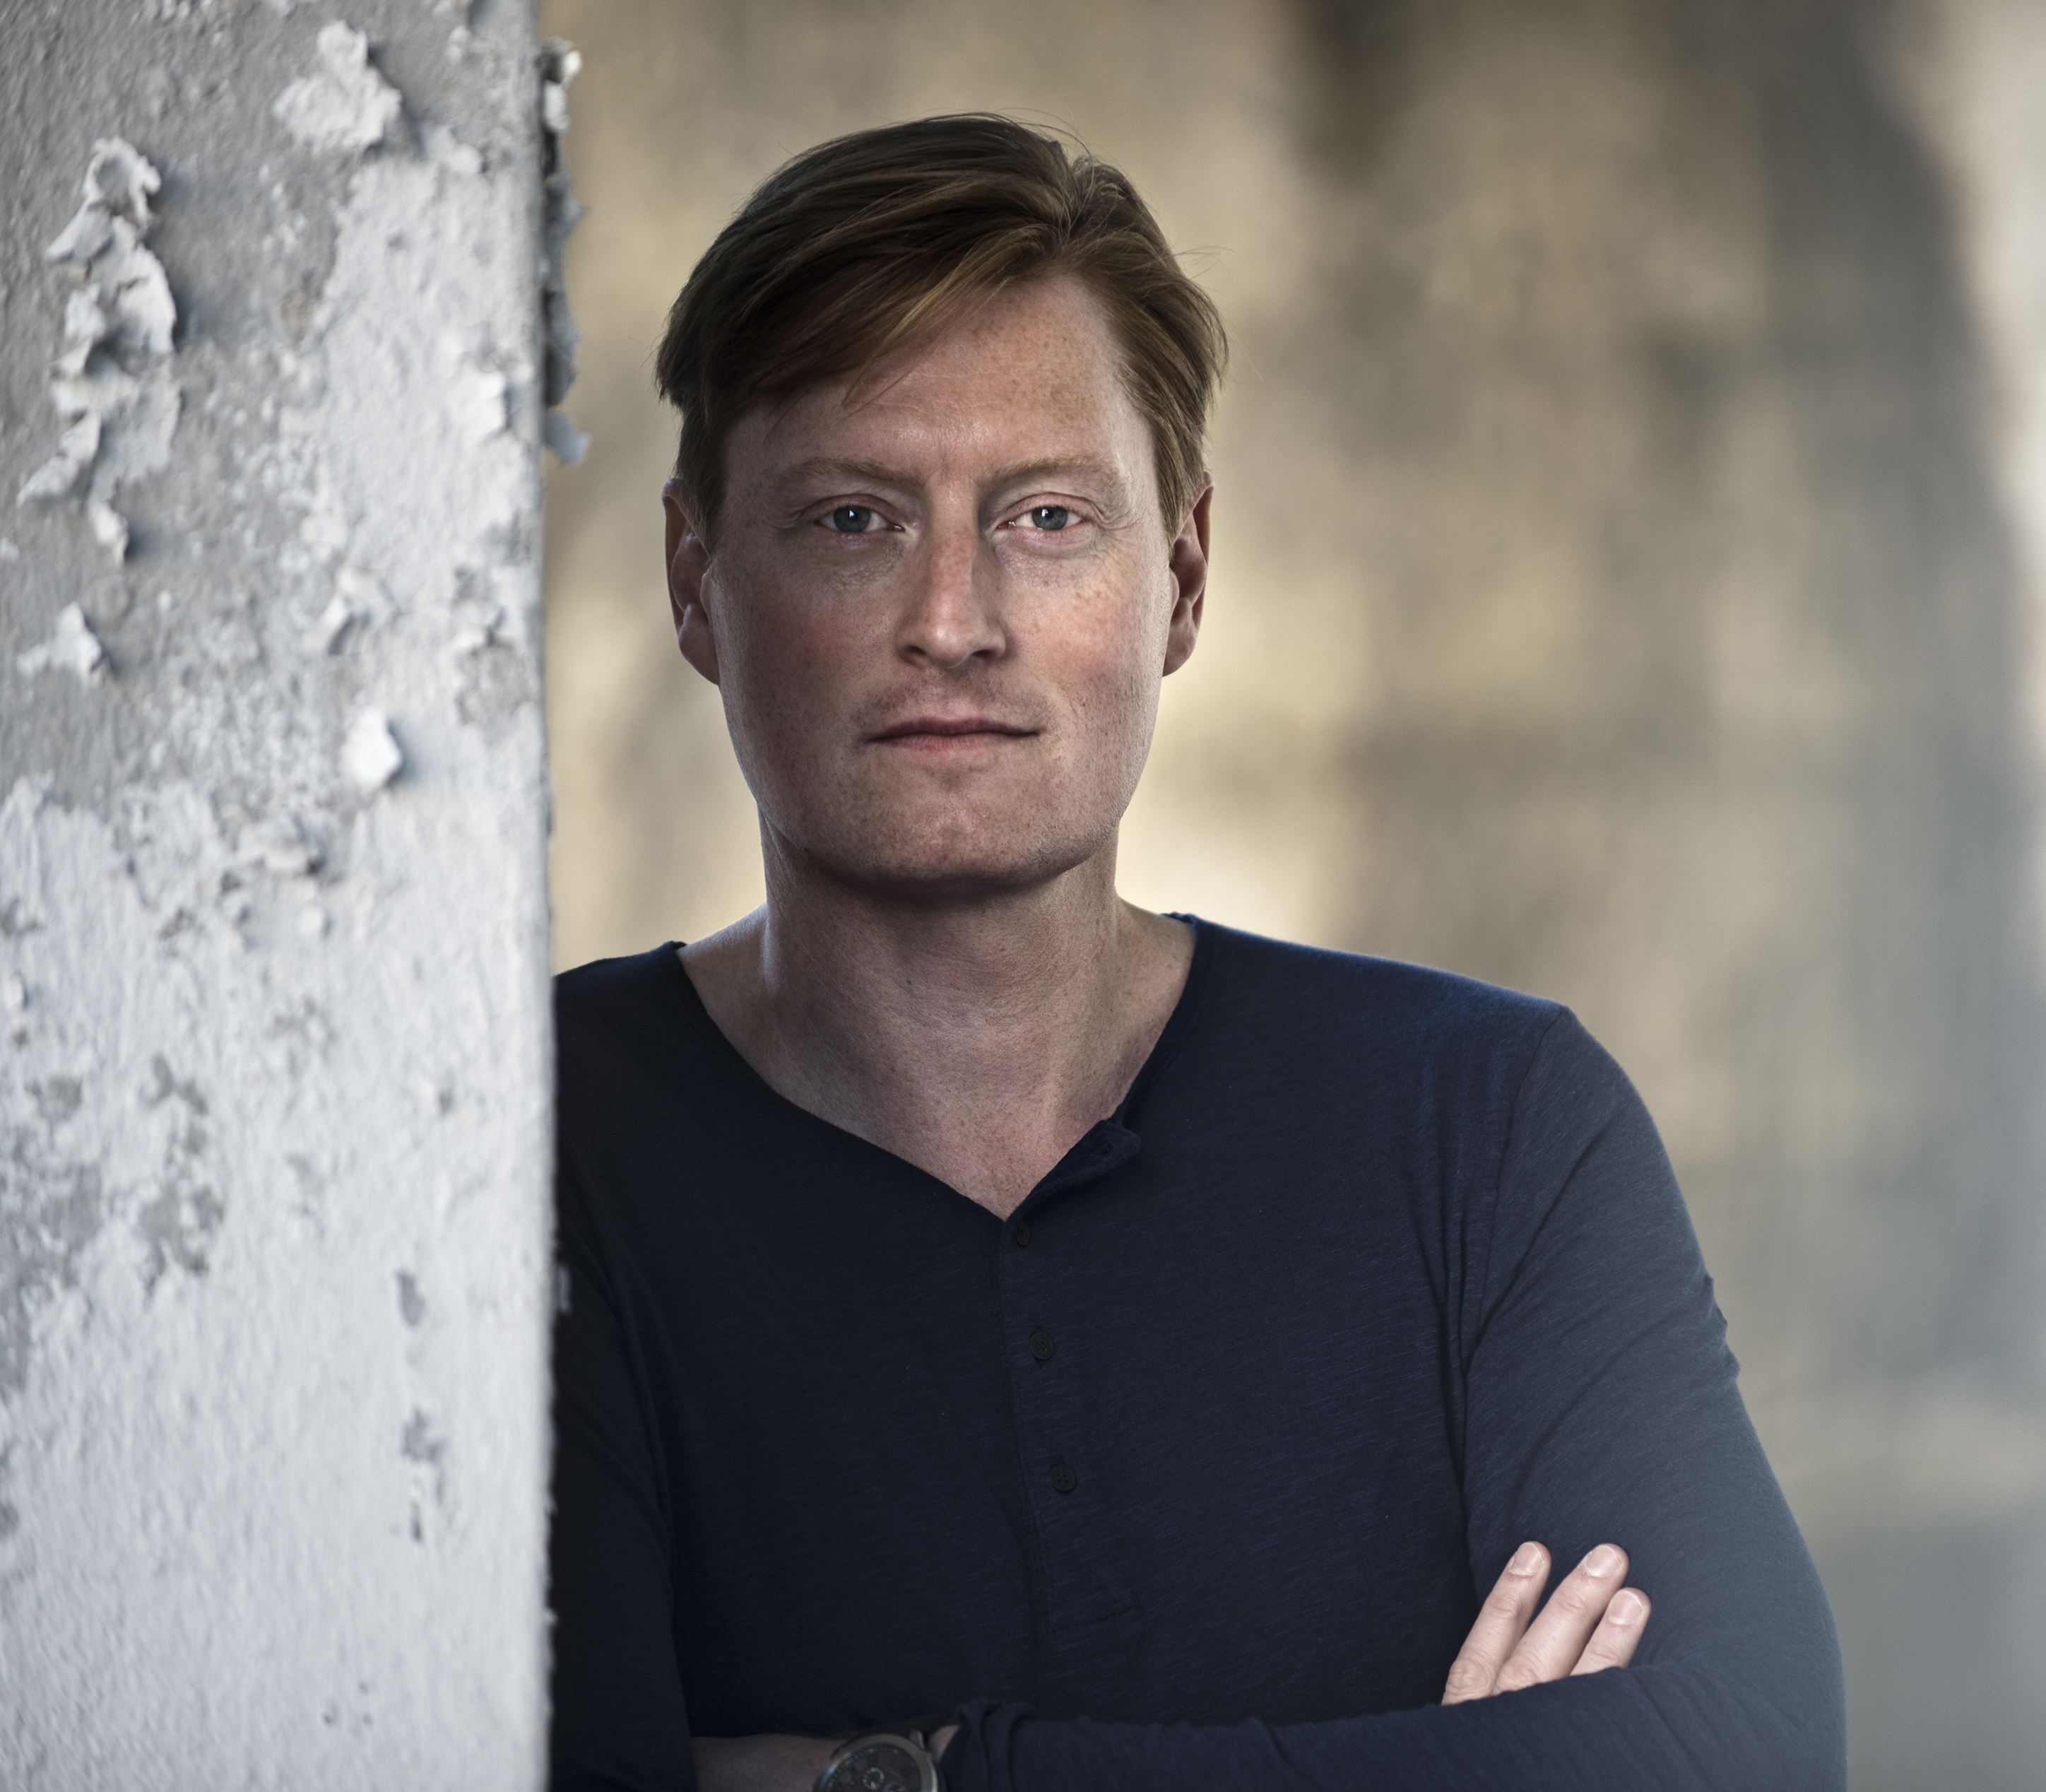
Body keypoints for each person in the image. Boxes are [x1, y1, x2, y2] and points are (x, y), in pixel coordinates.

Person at [549, 114, 1843, 1792]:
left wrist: (905, 1774)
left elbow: (1743, 1746)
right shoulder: (537, 1145)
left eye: (1045, 516)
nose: (951, 620)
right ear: (695, 581)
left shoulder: (1487, 1124)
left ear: (1181, 578)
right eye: (854, 518)